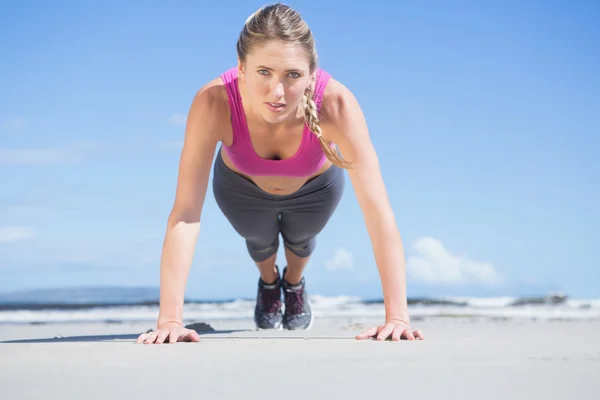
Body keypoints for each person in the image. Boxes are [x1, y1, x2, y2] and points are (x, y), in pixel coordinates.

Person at [136, 3, 424, 344]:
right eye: (263, 72)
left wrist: (397, 317)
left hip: (316, 188)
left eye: (292, 75)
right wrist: (169, 319)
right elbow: (185, 213)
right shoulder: (214, 102)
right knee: (260, 242)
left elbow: (378, 211)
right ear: (241, 68)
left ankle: (294, 284)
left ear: (312, 74)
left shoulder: (337, 105)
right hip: (240, 187)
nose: (277, 92)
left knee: (301, 242)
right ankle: (270, 284)